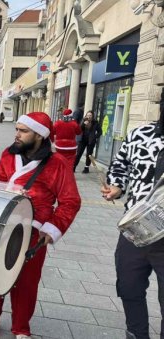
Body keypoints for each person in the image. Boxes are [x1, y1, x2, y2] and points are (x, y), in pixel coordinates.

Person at [0, 112, 81, 339]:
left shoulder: (58, 164)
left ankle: (21, 327)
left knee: (26, 282)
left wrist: (51, 230)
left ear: (39, 135)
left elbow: (70, 201)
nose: (17, 134)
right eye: (17, 129)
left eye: (23, 131)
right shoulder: (7, 154)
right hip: (2, 225)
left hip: (34, 231)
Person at [101, 90, 164, 339]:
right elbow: (120, 165)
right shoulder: (141, 134)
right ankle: (136, 334)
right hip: (135, 229)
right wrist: (116, 185)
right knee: (128, 286)